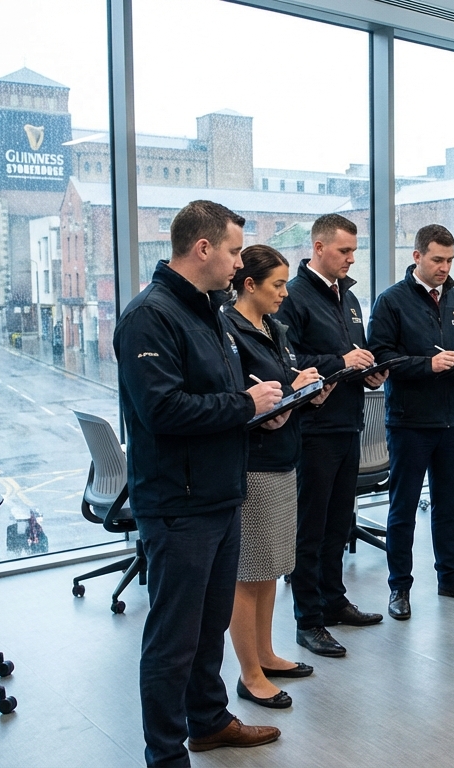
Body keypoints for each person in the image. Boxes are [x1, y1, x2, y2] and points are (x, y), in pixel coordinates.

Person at [114, 200, 283, 767]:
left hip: (220, 494)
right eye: (234, 251)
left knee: (209, 628)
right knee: (174, 638)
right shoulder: (149, 316)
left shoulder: (210, 312)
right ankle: (165, 755)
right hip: (178, 504)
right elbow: (163, 410)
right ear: (203, 248)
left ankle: (208, 722)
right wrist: (244, 405)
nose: (239, 263)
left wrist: (257, 413)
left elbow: (221, 398)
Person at [274, 213, 389, 658]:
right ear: (319, 248)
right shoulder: (294, 297)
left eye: (354, 251)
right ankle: (308, 620)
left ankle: (334, 601)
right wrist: (342, 362)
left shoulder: (349, 296)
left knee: (339, 522)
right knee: (311, 528)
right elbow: (289, 362)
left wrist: (369, 371)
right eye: (344, 250)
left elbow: (352, 354)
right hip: (313, 428)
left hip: (348, 422)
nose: (351, 258)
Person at [224, 244, 333, 709]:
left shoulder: (274, 327)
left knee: (270, 567)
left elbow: (280, 386)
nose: (285, 293)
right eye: (277, 284)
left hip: (284, 457)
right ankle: (249, 673)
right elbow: (239, 397)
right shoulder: (228, 331)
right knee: (248, 572)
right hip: (253, 464)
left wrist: (306, 391)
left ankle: (266, 653)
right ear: (249, 284)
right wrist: (288, 389)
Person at [367, 224, 454, 620]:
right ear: (417, 256)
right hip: (410, 423)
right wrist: (427, 365)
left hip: (453, 420)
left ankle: (450, 577)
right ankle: (399, 587)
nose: (445, 267)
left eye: (450, 260)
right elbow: (380, 357)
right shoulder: (391, 301)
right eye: (437, 259)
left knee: (448, 506)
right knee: (403, 509)